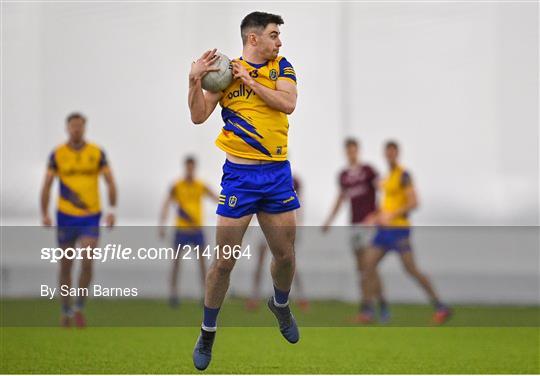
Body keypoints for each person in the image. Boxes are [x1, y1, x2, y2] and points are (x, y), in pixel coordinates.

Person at [188, 11, 300, 370]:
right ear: (253, 39)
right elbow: (198, 115)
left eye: (278, 36)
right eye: (273, 35)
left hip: (277, 175)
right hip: (239, 177)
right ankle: (207, 333)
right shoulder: (223, 72)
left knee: (284, 255)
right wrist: (193, 82)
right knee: (223, 262)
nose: (278, 42)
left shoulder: (281, 68)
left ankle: (280, 304)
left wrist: (250, 80)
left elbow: (288, 104)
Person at [40, 112, 117, 328]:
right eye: (73, 126)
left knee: (87, 259)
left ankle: (79, 306)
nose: (76, 129)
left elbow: (110, 182)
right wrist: (44, 212)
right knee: (66, 265)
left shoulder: (96, 153)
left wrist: (111, 209)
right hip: (65, 216)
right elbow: (47, 185)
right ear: (67, 128)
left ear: (85, 128)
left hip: (90, 216)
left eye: (80, 126)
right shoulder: (58, 155)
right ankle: (65, 309)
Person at [362, 141, 451, 324]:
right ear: (384, 154)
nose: (390, 156)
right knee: (368, 265)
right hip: (384, 231)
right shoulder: (387, 178)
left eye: (393, 153)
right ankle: (375, 310)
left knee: (411, 270)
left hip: (399, 230)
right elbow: (387, 205)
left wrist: (391, 215)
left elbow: (414, 202)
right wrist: (374, 216)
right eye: (387, 153)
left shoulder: (404, 175)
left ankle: (441, 307)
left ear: (398, 154)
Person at [322, 138, 389, 323]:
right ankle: (371, 307)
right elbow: (340, 199)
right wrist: (329, 220)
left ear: (358, 151)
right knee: (362, 269)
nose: (351, 153)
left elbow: (384, 191)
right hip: (354, 226)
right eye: (348, 151)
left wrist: (378, 215)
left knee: (369, 267)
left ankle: (375, 308)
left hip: (369, 225)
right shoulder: (343, 175)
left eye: (353, 150)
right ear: (346, 152)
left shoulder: (368, 171)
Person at [159, 156, 218, 307]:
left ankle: (206, 295)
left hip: (196, 229)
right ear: (185, 167)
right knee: (176, 263)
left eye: (192, 167)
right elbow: (166, 204)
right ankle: (173, 294)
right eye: (188, 167)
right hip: (181, 229)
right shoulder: (177, 185)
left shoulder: (200, 185)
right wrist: (162, 224)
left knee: (203, 264)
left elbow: (216, 198)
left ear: (195, 168)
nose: (190, 170)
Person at [245, 175, 309, 312]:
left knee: (289, 262)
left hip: (282, 227)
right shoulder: (261, 178)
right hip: (265, 225)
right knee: (260, 263)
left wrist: (298, 227)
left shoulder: (292, 180)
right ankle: (254, 297)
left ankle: (300, 297)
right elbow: (254, 203)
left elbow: (298, 205)